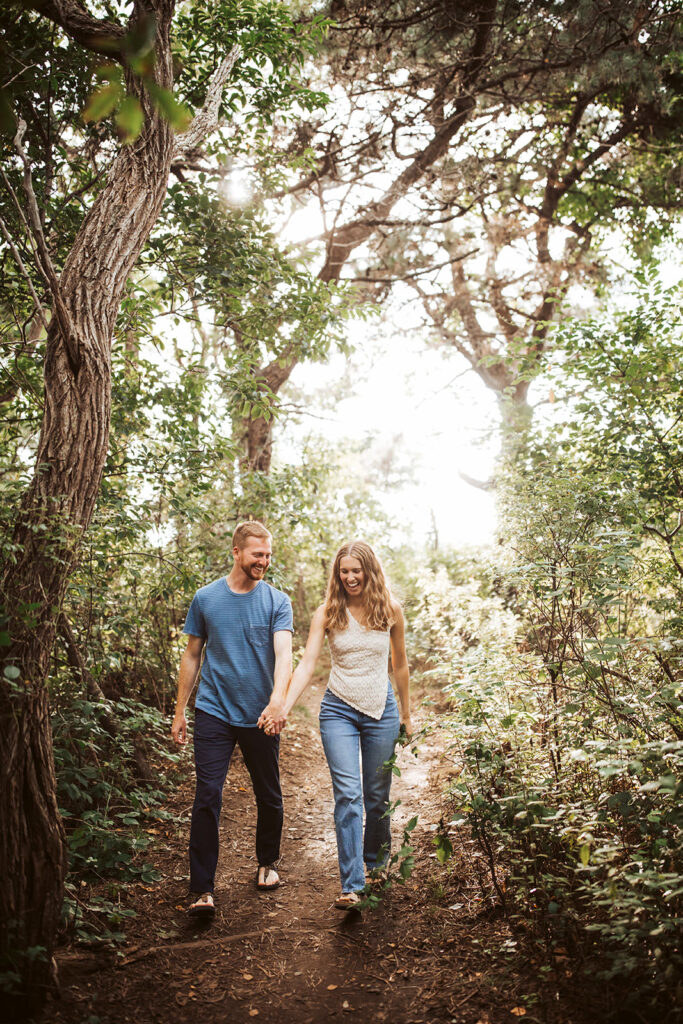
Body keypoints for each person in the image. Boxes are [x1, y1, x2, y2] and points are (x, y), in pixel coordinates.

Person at [260, 540, 411, 910]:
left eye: (356, 570)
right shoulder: (328, 611)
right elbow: (308, 663)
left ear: (369, 570)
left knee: (377, 798)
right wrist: (282, 706)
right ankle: (352, 884)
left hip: (381, 709)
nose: (350, 577)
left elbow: (401, 664)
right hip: (338, 710)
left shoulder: (389, 608)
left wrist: (407, 714)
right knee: (348, 795)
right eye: (344, 571)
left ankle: (375, 864)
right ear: (337, 574)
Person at [171, 521, 293, 917]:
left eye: (268, 555)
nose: (264, 561)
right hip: (213, 711)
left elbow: (285, 655)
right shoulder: (206, 599)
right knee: (208, 795)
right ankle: (202, 889)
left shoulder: (277, 601)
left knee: (269, 795)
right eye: (258, 554)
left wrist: (277, 702)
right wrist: (179, 711)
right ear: (237, 552)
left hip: (260, 714)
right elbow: (192, 655)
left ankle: (267, 863)